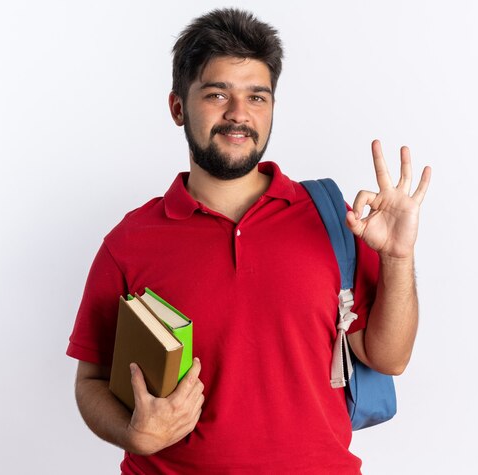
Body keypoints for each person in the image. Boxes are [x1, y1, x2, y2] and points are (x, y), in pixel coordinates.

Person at [67, 8, 431, 474]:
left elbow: (389, 358)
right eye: (217, 94)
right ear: (178, 107)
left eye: (257, 97)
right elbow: (91, 380)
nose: (239, 115)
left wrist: (398, 258)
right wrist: (132, 432)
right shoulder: (129, 241)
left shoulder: (331, 220)